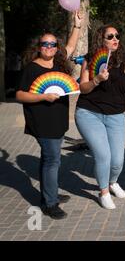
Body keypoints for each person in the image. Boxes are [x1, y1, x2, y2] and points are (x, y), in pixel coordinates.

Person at [75, 24, 125, 209]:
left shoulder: (124, 58)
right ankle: (103, 192)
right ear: (100, 39)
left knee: (117, 160)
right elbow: (82, 87)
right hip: (88, 113)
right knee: (104, 156)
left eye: (117, 35)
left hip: (116, 115)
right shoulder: (89, 59)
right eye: (110, 36)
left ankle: (113, 182)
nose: (115, 39)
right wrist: (96, 80)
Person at [16, 11, 82, 219]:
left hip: (58, 121)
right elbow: (19, 95)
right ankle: (50, 203)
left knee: (48, 159)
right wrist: (43, 97)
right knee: (53, 159)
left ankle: (48, 194)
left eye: (53, 44)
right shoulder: (32, 68)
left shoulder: (59, 63)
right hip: (41, 121)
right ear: (39, 46)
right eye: (45, 44)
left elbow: (70, 47)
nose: (49, 47)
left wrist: (77, 26)